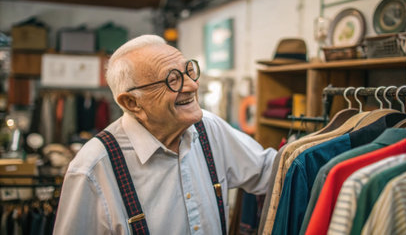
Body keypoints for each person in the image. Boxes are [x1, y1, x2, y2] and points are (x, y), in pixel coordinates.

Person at [53, 34, 277, 234]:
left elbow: (269, 172)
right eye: (172, 80)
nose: (191, 85)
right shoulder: (92, 169)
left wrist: (308, 153)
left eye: (189, 71)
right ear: (132, 102)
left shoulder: (208, 128)